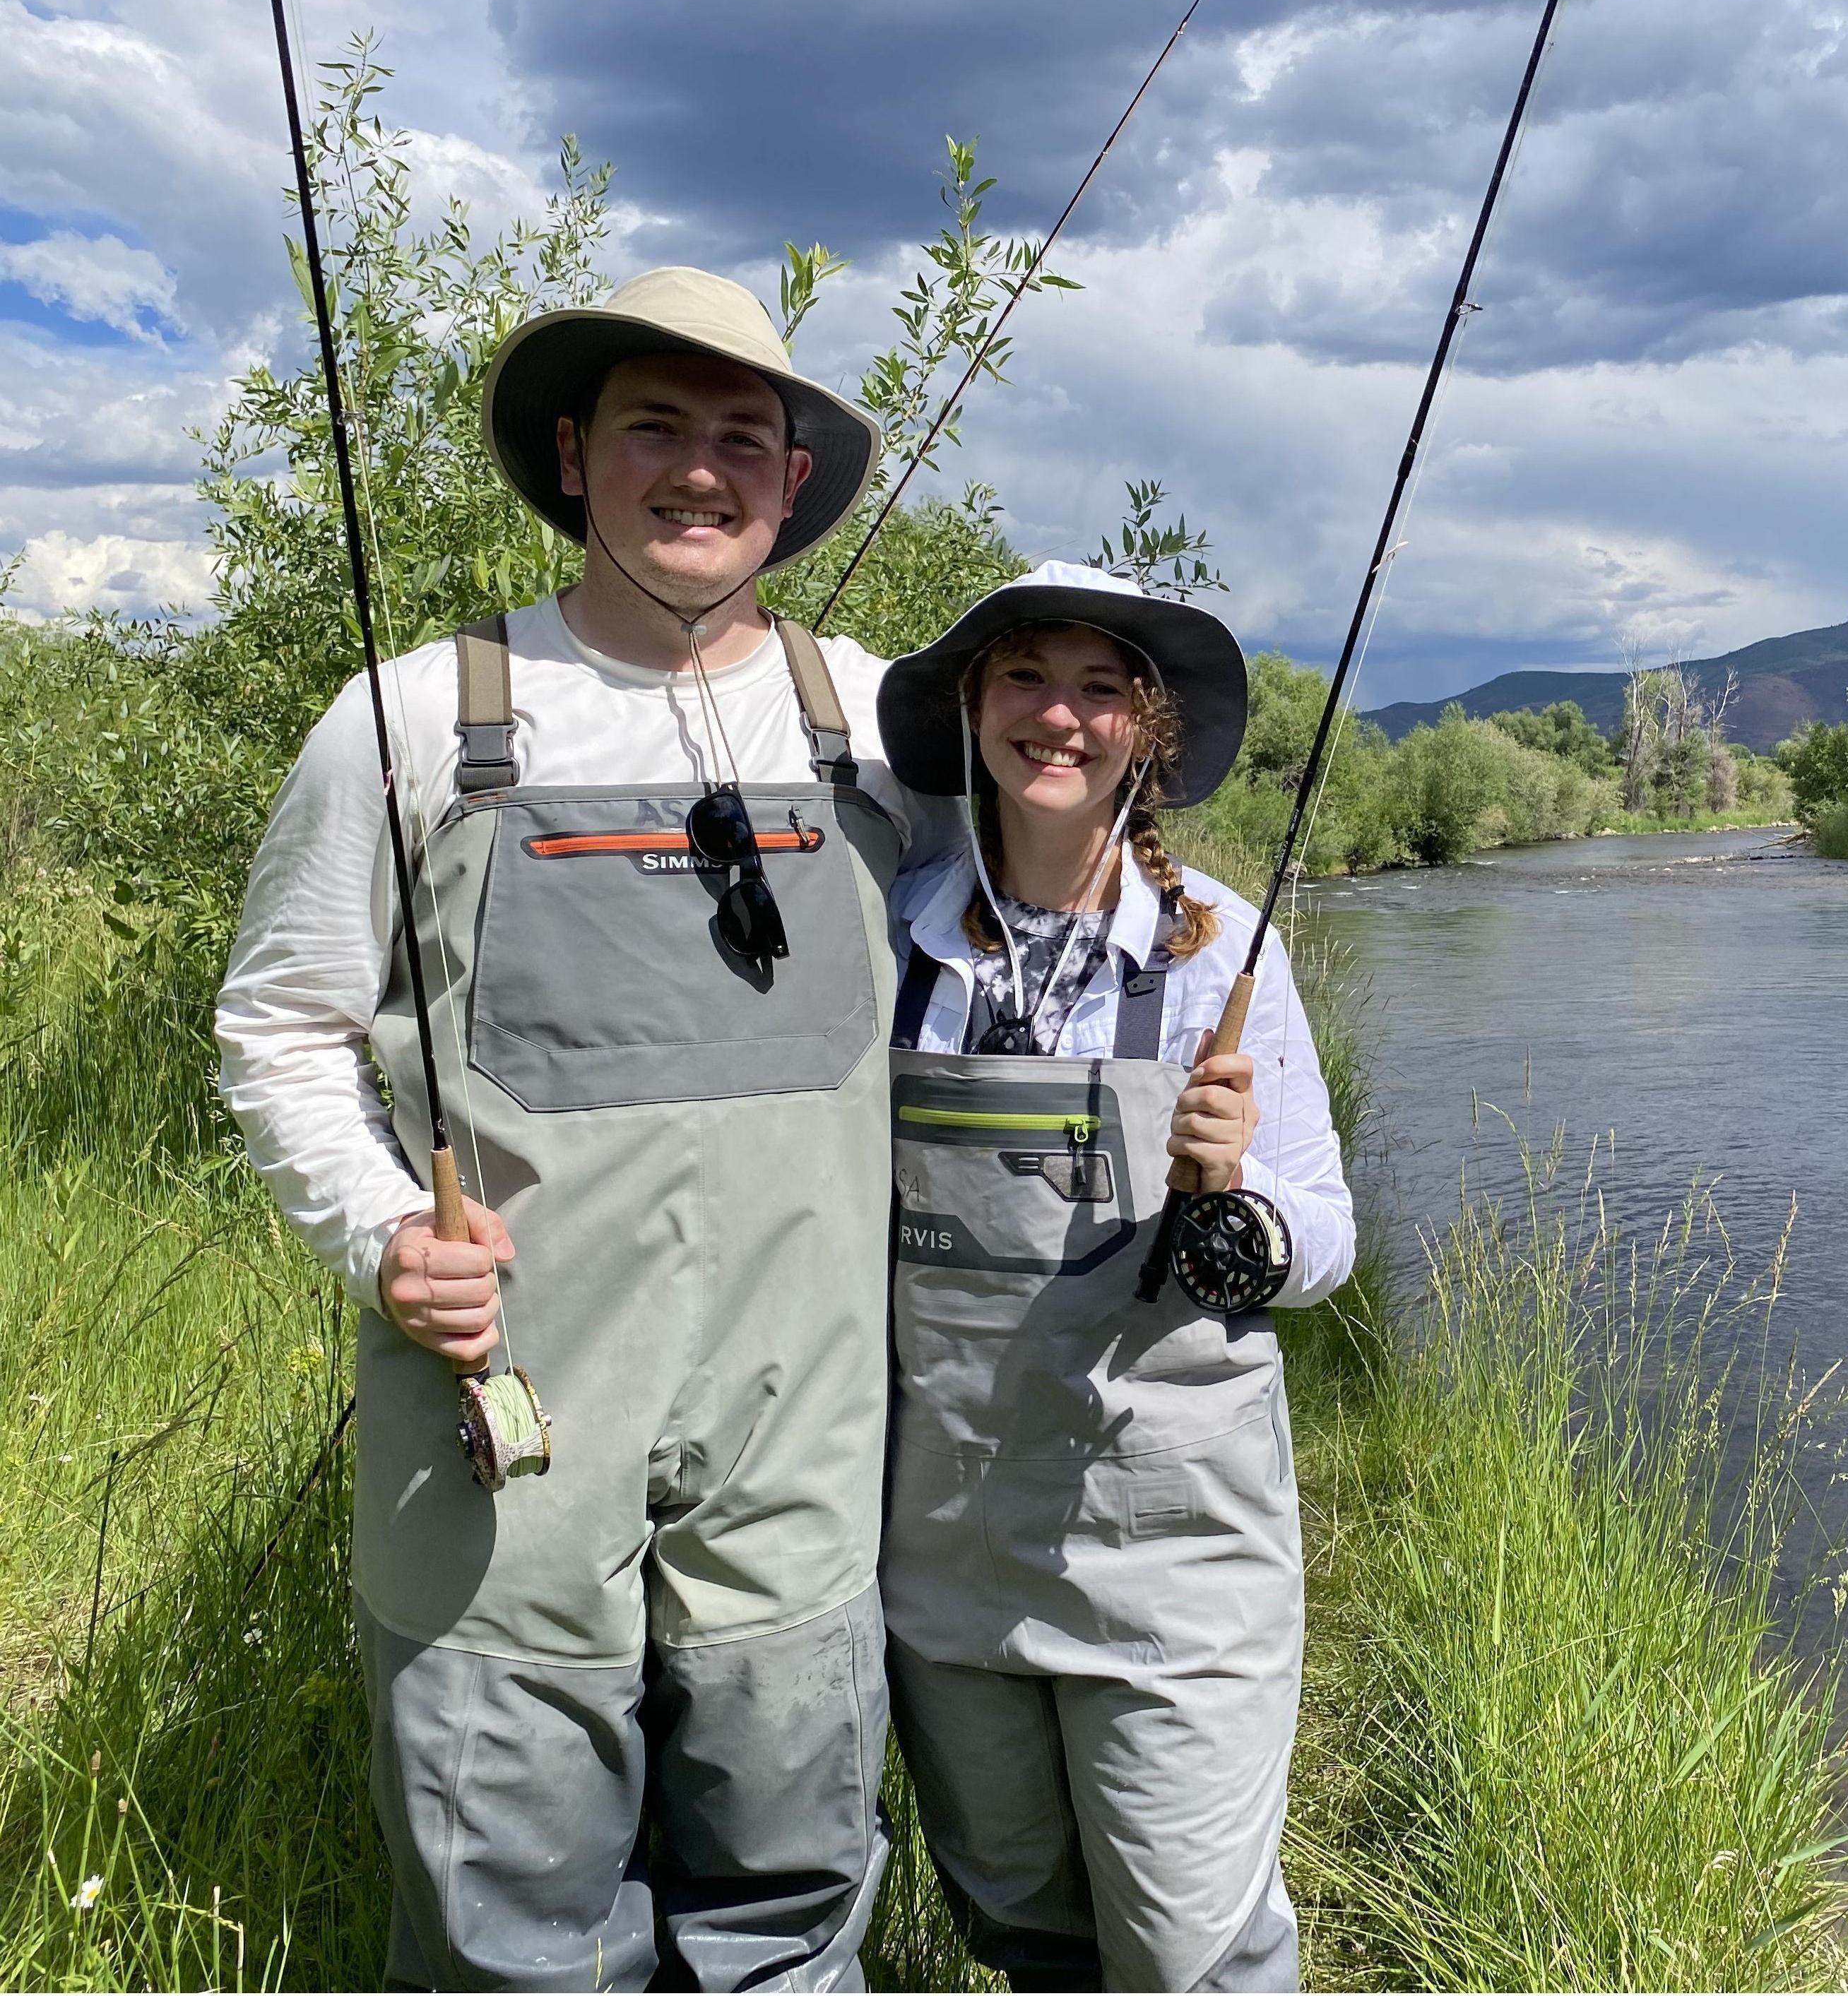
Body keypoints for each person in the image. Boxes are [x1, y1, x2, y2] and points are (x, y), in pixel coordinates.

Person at [216, 266, 944, 1991]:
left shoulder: (886, 720)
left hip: (803, 1434)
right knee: (508, 1921)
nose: (697, 470)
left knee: (791, 1887)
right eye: (653, 428)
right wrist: (383, 1235)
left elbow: (1053, 890)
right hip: (499, 1425)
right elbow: (283, 1027)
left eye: (737, 439)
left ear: (788, 485)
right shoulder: (405, 716)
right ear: (572, 454)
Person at [872, 562, 1356, 1992]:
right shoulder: (888, 935)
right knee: (1027, 1928)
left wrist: (1241, 1199)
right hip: (943, 1553)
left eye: (1101, 688)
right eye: (1025, 676)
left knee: (1186, 1948)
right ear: (971, 707)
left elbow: (1327, 1236)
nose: (1059, 716)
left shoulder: (1222, 956)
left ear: (1145, 734)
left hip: (1175, 1555)